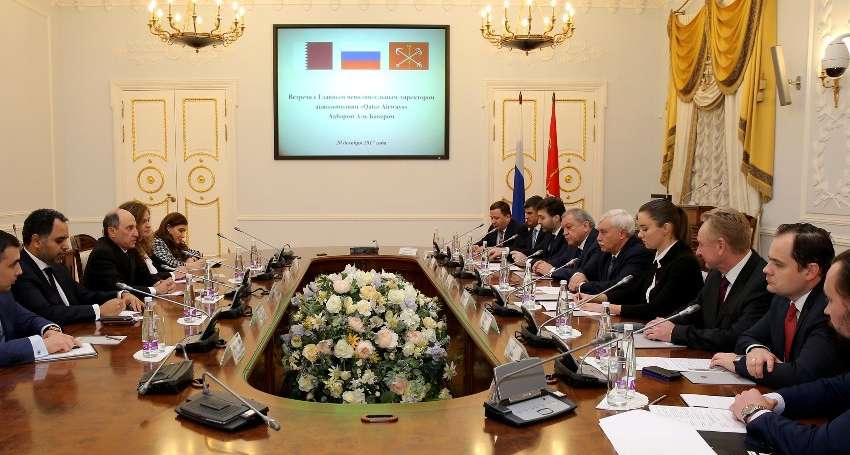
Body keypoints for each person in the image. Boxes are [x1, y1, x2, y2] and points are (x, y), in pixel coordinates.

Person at [729, 249, 850, 454]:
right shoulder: (782, 300)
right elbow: (836, 388)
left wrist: (753, 412)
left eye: (830, 300)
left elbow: (819, 447)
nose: (826, 310)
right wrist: (773, 401)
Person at [710, 223, 849, 388]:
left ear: (810, 271)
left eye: (778, 264)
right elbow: (746, 336)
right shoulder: (782, 299)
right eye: (769, 260)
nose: (766, 269)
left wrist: (738, 363)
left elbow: (801, 374)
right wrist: (756, 350)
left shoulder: (828, 309)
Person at [644, 208, 772, 351]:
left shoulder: (762, 281)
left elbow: (736, 337)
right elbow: (695, 308)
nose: (698, 252)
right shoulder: (716, 272)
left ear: (721, 246)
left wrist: (675, 333)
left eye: (701, 244)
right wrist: (664, 323)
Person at [12, 209, 142, 326]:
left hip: (78, 332)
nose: (66, 246)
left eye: (66, 240)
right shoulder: (20, 270)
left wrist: (120, 294)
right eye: (59, 241)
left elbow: (84, 295)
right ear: (36, 241)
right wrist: (98, 311)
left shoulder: (55, 265)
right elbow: (47, 313)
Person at [581, 199, 703, 320]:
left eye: (645, 229)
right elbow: (633, 292)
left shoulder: (684, 262)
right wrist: (597, 298)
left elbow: (657, 309)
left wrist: (608, 308)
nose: (639, 235)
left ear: (666, 228)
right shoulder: (656, 255)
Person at [0, 230, 78, 367]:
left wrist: (49, 330)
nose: (20, 271)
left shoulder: (4, 293)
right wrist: (43, 345)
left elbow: (27, 318)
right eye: (13, 264)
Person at [83, 209, 175, 296]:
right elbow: (120, 288)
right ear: (112, 231)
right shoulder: (102, 253)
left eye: (135, 228)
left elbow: (143, 276)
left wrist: (159, 283)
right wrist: (156, 290)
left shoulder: (129, 248)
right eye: (130, 228)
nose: (136, 234)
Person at [568, 209, 653, 296]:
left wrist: (581, 286)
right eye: (598, 232)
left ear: (622, 234)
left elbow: (618, 287)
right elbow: (586, 269)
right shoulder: (607, 250)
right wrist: (579, 275)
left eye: (603, 232)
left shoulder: (638, 253)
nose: (598, 238)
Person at [512, 196, 571, 269]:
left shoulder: (566, 236)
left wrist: (527, 261)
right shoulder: (549, 233)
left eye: (542, 218)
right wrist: (508, 251)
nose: (539, 221)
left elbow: (556, 262)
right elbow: (536, 252)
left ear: (556, 218)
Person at [119, 200, 171, 280]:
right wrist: (173, 275)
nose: (148, 225)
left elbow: (161, 267)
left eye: (148, 220)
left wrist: (177, 271)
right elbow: (144, 279)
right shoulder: (129, 249)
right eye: (143, 221)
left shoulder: (144, 245)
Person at [550, 208, 600, 282]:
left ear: (585, 226)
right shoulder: (574, 244)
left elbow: (584, 273)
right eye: (563, 229)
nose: (564, 233)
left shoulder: (597, 243)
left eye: (569, 227)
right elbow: (561, 263)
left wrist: (552, 271)